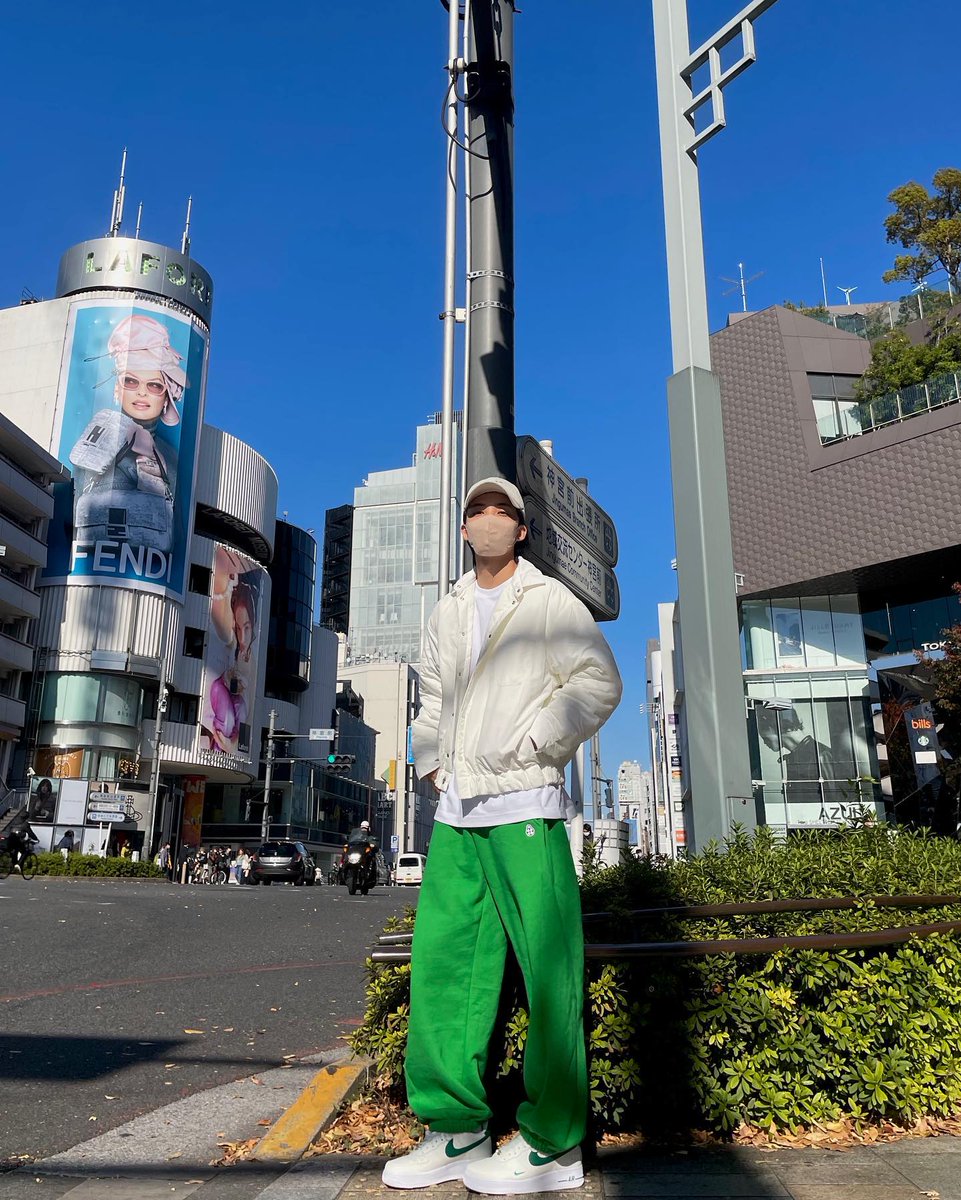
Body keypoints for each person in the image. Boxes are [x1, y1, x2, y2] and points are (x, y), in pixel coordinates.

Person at [383, 478, 622, 1195]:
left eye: (502, 512)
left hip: (524, 803)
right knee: (445, 968)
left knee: (548, 968)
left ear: (521, 529)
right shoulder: (448, 609)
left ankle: (554, 1143)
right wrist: (431, 765)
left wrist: (540, 739)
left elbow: (598, 681)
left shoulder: (549, 600)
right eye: (477, 512)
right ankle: (456, 1128)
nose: (488, 521)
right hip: (457, 810)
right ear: (463, 529)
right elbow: (433, 698)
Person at [69, 314, 187, 554]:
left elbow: (178, 533)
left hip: (152, 560)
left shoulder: (171, 457)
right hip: (91, 554)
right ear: (117, 389)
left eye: (154, 385)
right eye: (131, 381)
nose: (142, 392)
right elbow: (74, 497)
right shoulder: (99, 430)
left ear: (166, 397)